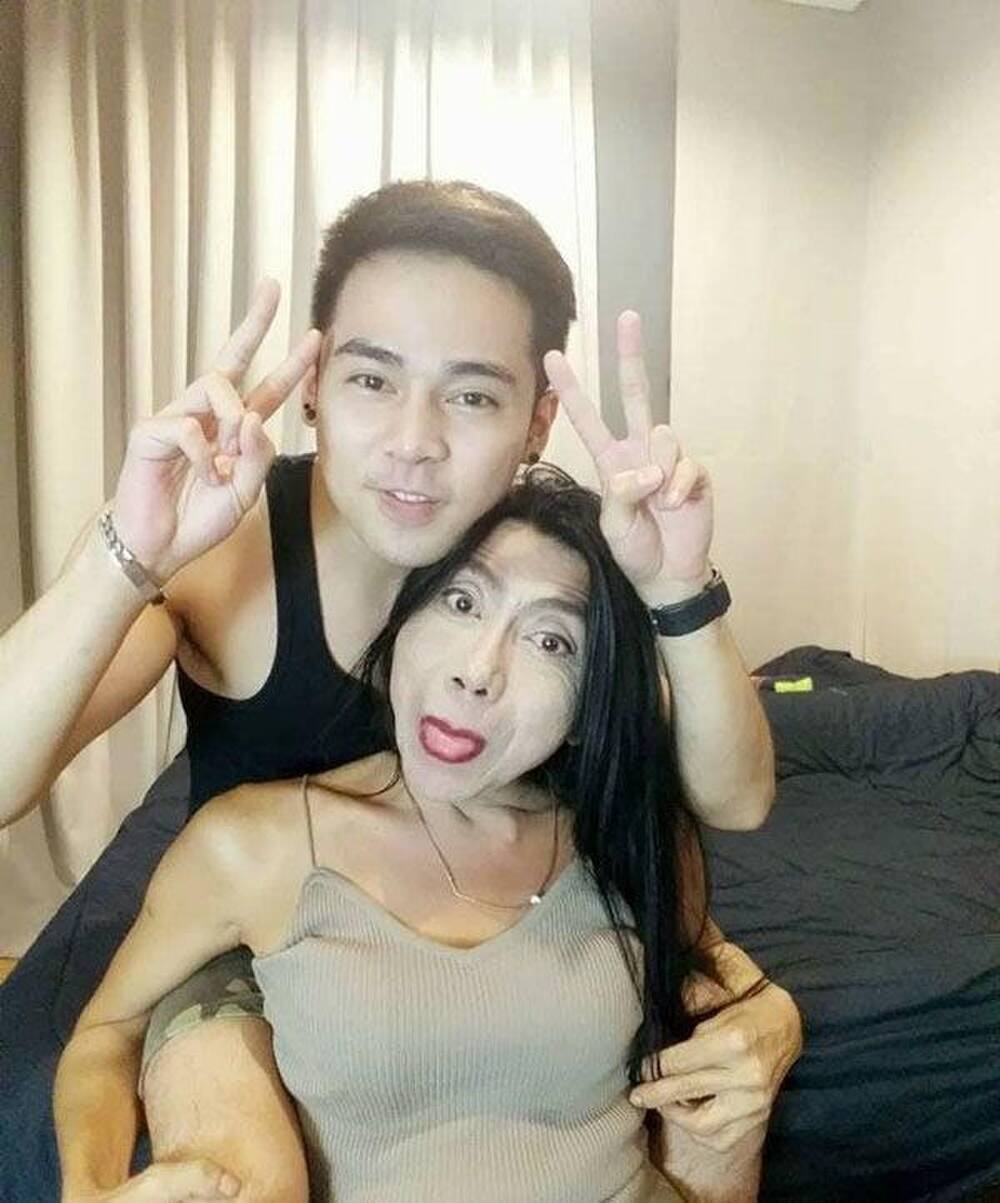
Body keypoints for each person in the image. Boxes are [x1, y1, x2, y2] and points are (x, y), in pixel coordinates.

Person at [0, 181, 797, 1200]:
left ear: (537, 422)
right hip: (246, 921)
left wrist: (680, 594)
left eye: (471, 396)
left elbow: (727, 798)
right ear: (315, 385)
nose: (414, 441)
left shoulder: (536, 554)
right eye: (374, 380)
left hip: (495, 882)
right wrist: (125, 556)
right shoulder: (225, 546)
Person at [58, 469, 774, 1203]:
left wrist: (776, 1020)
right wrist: (88, 1187)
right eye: (462, 602)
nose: (478, 671)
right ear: (401, 622)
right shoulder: (255, 844)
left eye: (551, 640)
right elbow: (104, 1034)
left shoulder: (626, 838)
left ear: (588, 708)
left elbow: (720, 973)